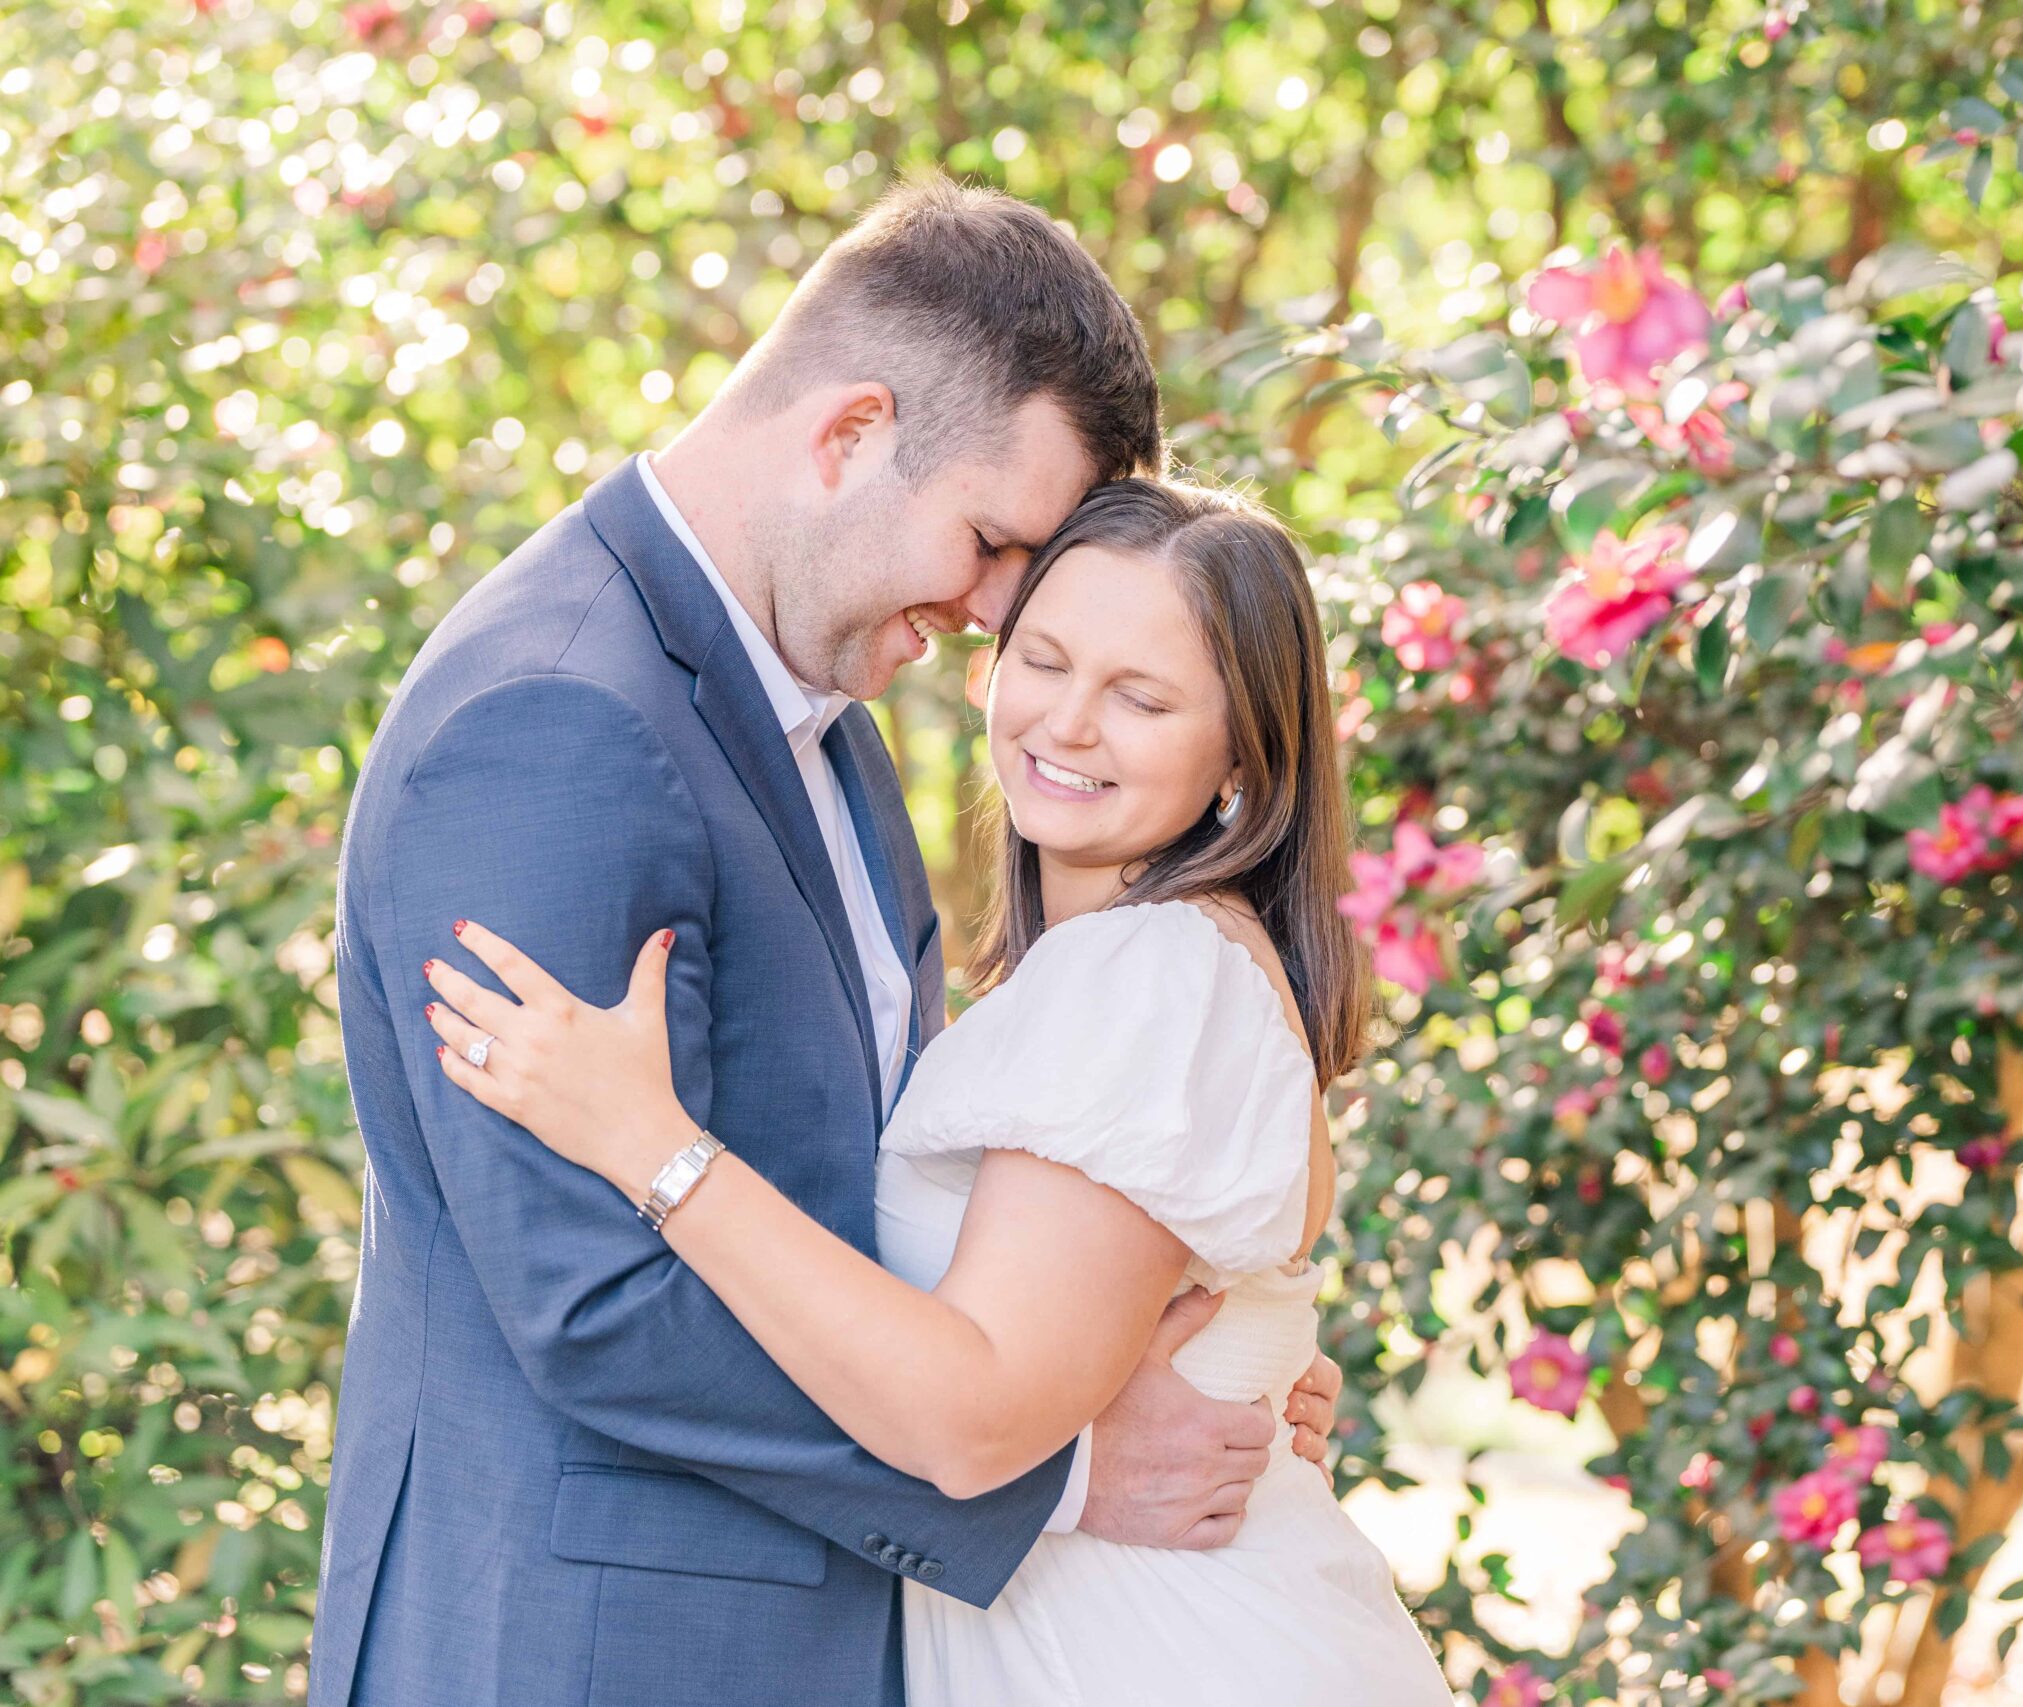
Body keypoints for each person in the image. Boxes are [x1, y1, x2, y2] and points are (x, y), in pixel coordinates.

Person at [310, 178, 1345, 1707]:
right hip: (594, 1649)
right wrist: (1056, 1469)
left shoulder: (828, 722)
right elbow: (594, 1303)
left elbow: (868, 1198)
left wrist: (1132, 1346)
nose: (1002, 616)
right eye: (995, 545)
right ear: (850, 433)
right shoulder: (564, 717)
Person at [420, 477, 1449, 1705]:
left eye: (1141, 696)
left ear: (1242, 758)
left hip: (1165, 1653)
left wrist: (651, 1144)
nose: (1067, 724)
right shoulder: (1123, 965)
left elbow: (969, 1414)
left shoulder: (1148, 971)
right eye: (1047, 661)